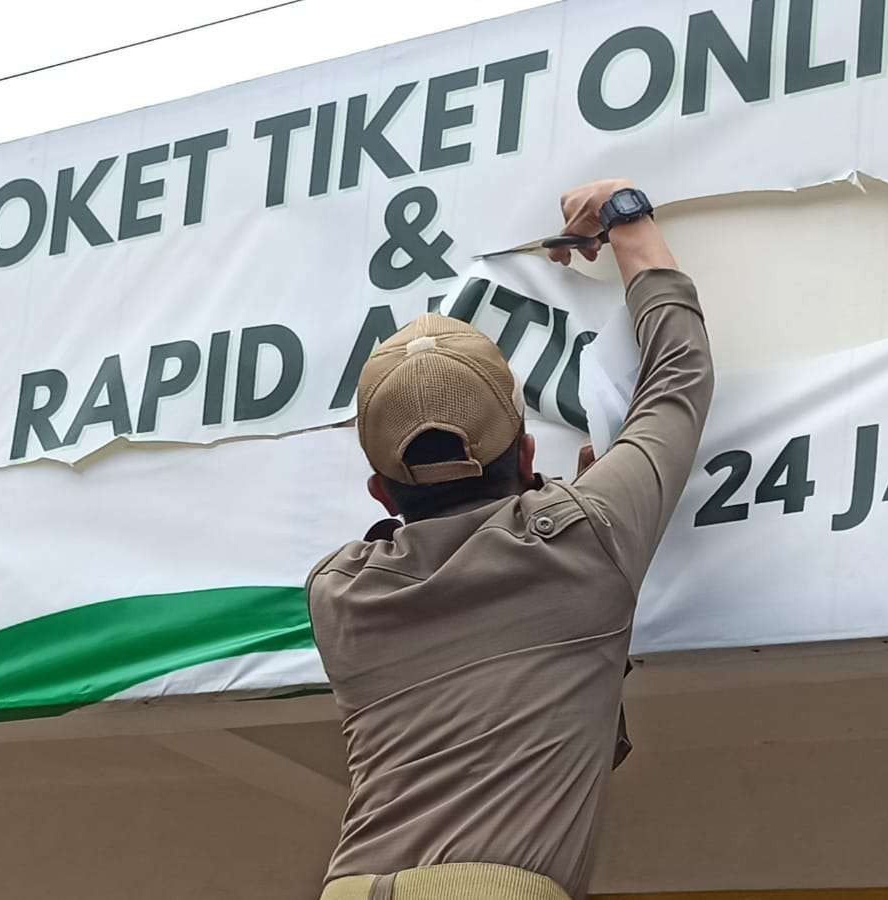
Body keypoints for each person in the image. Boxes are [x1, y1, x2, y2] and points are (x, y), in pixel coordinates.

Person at [306, 179, 714, 900]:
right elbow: (677, 376)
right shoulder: (583, 541)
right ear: (526, 456)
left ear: (381, 493)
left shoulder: (337, 593)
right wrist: (627, 216)